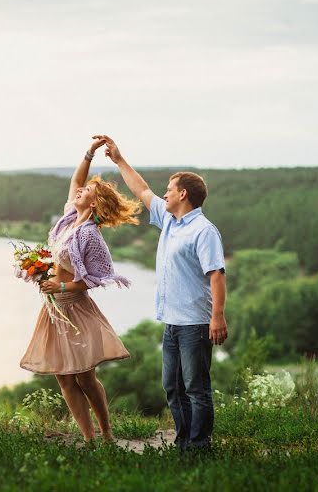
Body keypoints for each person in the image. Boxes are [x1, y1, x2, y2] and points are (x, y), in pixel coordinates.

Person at [94, 134, 227, 451]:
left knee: (196, 387)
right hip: (171, 321)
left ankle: (199, 445)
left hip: (196, 322)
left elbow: (217, 276)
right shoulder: (169, 220)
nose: (163, 195)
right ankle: (183, 440)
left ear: (183, 194)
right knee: (172, 386)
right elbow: (141, 189)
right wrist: (119, 159)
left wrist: (217, 317)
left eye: (169, 190)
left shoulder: (203, 231)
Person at [19, 139, 142, 443]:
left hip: (75, 308)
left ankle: (107, 433)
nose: (80, 190)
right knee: (63, 377)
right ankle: (88, 438)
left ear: (95, 204)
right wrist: (88, 154)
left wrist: (59, 284)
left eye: (87, 191)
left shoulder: (91, 237)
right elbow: (75, 180)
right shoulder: (69, 220)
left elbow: (95, 279)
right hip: (54, 310)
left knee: (84, 376)